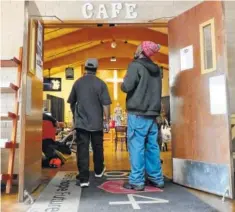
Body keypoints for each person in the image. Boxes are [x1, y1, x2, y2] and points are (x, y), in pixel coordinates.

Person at [121, 41, 164, 191]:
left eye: (138, 47)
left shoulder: (135, 66)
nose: (136, 49)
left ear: (141, 51)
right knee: (152, 146)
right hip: (152, 115)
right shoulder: (157, 69)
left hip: (137, 113)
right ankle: (156, 178)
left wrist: (123, 80)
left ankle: (137, 181)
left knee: (137, 147)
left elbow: (126, 87)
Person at [68, 58, 112, 188]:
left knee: (82, 150)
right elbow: (105, 104)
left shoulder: (77, 83)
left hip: (81, 123)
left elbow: (72, 102)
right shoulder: (101, 84)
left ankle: (84, 179)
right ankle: (98, 171)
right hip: (97, 123)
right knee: (98, 147)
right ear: (96, 69)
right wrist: (107, 120)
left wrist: (75, 117)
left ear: (85, 68)